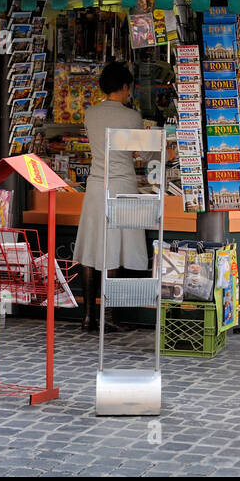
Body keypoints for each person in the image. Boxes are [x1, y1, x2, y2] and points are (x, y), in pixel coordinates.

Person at [73, 62, 146, 333]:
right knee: (114, 250)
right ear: (125, 87)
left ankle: (88, 316)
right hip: (122, 186)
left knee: (92, 250)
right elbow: (143, 154)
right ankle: (110, 315)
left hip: (94, 187)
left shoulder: (91, 114)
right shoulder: (132, 117)